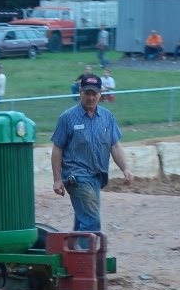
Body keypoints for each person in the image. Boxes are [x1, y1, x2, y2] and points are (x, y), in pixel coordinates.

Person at [51, 74, 133, 235]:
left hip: (97, 176)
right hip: (77, 177)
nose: (90, 97)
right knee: (91, 222)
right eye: (87, 93)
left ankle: (73, 256)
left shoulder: (107, 117)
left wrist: (125, 168)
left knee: (83, 221)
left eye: (94, 94)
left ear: (100, 94)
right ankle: (87, 259)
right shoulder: (67, 118)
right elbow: (57, 149)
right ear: (80, 92)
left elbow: (115, 145)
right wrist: (57, 179)